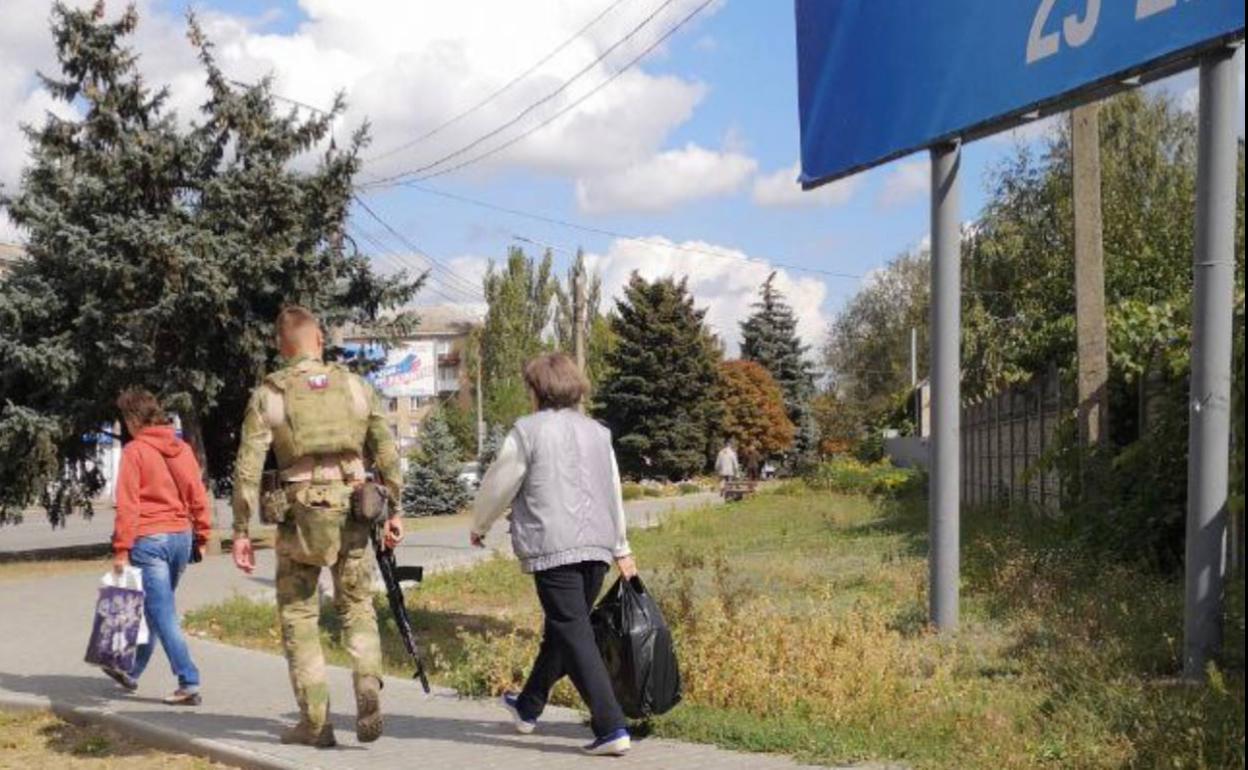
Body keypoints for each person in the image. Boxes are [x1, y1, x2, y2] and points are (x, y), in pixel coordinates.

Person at [229, 305, 404, 748]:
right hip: (354, 510)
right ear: (320, 340)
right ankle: (367, 680)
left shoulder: (270, 393)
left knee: (299, 614)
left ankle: (315, 721)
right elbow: (387, 455)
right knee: (357, 607)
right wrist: (396, 509)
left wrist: (242, 530)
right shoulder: (357, 387)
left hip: (300, 517)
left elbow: (248, 470)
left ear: (279, 347)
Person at [471, 353, 636, 757]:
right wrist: (621, 548)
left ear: (537, 390)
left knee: (572, 632)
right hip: (597, 546)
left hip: (554, 545)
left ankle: (611, 726)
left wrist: (480, 524)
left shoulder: (527, 431)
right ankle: (528, 706)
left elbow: (500, 481)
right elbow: (613, 490)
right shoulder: (599, 432)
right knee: (564, 631)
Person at [104, 387, 210, 706]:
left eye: (125, 419)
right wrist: (202, 535)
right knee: (155, 607)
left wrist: (121, 549)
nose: (125, 426)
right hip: (181, 537)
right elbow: (197, 494)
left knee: (162, 613)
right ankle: (132, 670)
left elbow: (128, 505)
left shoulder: (136, 451)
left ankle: (188, 679)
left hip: (149, 540)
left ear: (134, 418)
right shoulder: (182, 448)